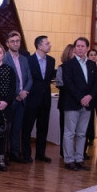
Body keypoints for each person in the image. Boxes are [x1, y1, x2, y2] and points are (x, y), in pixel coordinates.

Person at [59, 37, 96, 171]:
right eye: (78, 46)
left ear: (87, 48)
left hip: (87, 104)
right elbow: (68, 84)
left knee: (81, 133)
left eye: (82, 46)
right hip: (72, 103)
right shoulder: (68, 65)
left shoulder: (92, 65)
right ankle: (69, 160)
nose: (80, 48)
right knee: (69, 133)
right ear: (74, 48)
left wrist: (90, 96)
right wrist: (81, 98)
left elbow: (96, 83)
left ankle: (79, 159)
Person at [22, 35, 55, 163]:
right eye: (47, 43)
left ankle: (41, 154)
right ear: (39, 46)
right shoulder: (28, 60)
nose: (50, 45)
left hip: (45, 100)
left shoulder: (51, 60)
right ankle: (26, 154)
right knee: (27, 128)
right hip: (31, 99)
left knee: (43, 127)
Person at [2, 31, 32, 163]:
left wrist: (25, 91)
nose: (15, 43)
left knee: (16, 128)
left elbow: (30, 78)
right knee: (6, 128)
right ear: (7, 44)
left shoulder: (24, 59)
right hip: (9, 99)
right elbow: (5, 80)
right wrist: (16, 94)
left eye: (17, 41)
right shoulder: (3, 58)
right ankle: (4, 154)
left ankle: (15, 153)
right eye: (12, 41)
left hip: (23, 99)